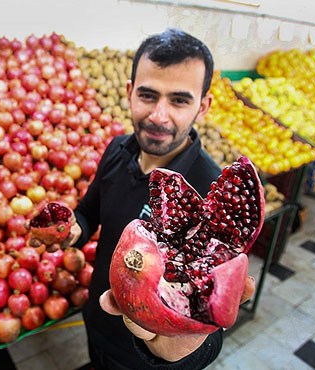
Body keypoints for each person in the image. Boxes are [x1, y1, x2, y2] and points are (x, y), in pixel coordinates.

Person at [64, 28, 255, 370]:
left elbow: (210, 329)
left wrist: (176, 354)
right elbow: (88, 212)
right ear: (129, 92)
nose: (158, 115)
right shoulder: (116, 149)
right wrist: (71, 230)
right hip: (97, 320)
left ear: (203, 105)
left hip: (146, 359)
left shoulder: (209, 188)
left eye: (179, 100)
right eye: (148, 95)